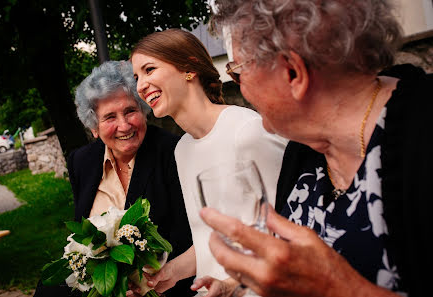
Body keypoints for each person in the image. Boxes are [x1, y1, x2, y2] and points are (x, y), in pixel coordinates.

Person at [199, 0, 433, 296]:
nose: (241, 89)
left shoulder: (423, 131)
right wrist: (239, 283)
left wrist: (338, 289)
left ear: (293, 73)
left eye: (238, 74)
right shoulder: (303, 150)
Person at [130, 29, 287, 296]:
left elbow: (291, 234)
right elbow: (208, 241)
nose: (140, 85)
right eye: (137, 77)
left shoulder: (247, 132)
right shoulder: (183, 149)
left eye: (149, 69)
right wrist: (168, 273)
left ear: (189, 68)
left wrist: (232, 286)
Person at [33, 61, 195, 297]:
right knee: (47, 290)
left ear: (143, 111)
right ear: (94, 127)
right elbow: (83, 231)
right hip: (100, 281)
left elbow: (185, 239)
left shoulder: (173, 153)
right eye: (109, 117)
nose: (124, 125)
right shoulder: (82, 161)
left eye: (130, 111)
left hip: (159, 283)